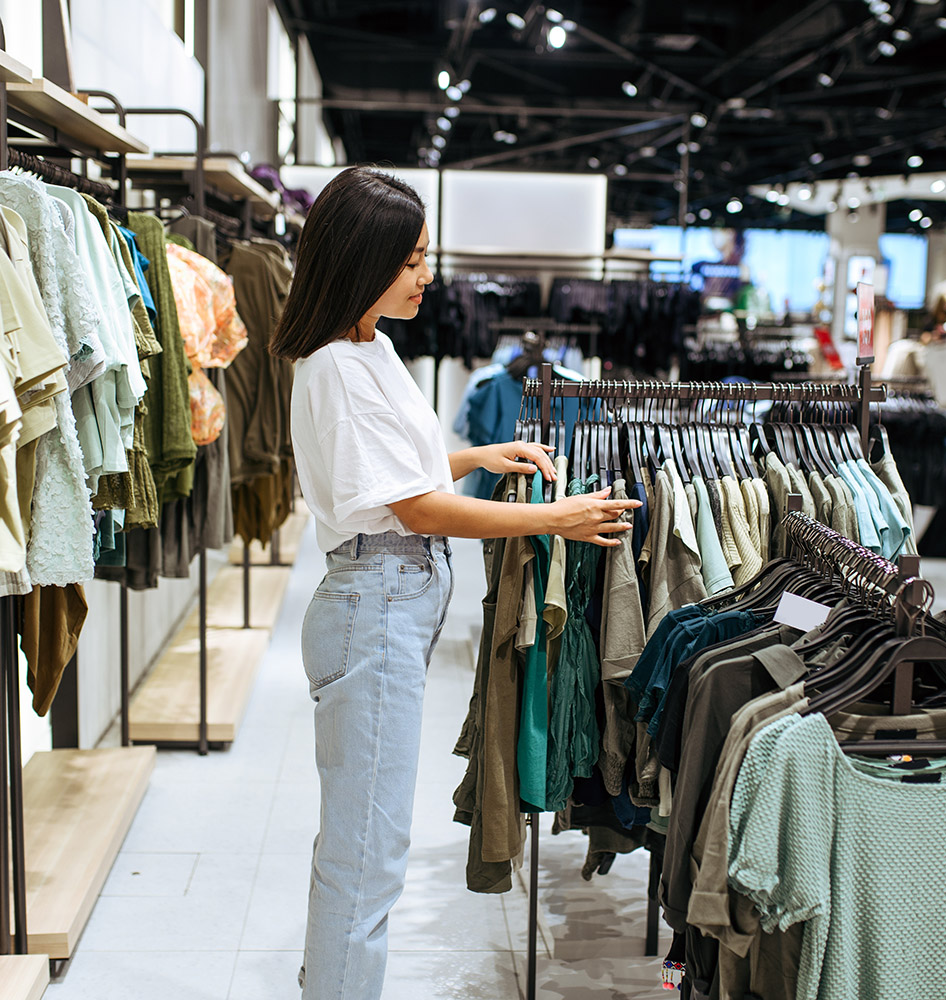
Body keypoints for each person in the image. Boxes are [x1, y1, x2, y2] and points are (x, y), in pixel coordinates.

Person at [269, 166, 639, 1000]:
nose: (426, 275)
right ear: (361, 260)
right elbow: (416, 507)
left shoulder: (373, 346)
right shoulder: (335, 364)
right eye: (410, 260)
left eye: (424, 256)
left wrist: (477, 456)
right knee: (366, 857)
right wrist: (557, 519)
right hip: (373, 605)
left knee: (366, 847)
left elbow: (405, 468)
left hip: (387, 598)